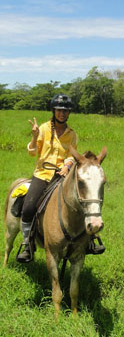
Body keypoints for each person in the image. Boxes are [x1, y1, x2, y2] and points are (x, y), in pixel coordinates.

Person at [17, 94, 77, 262]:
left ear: (68, 113)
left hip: (61, 176)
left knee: (80, 201)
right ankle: (27, 245)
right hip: (42, 175)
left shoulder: (72, 134)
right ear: (53, 111)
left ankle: (87, 241)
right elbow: (32, 152)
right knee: (28, 207)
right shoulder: (43, 128)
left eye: (65, 111)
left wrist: (67, 166)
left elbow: (71, 155)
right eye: (59, 110)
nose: (62, 114)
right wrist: (35, 136)